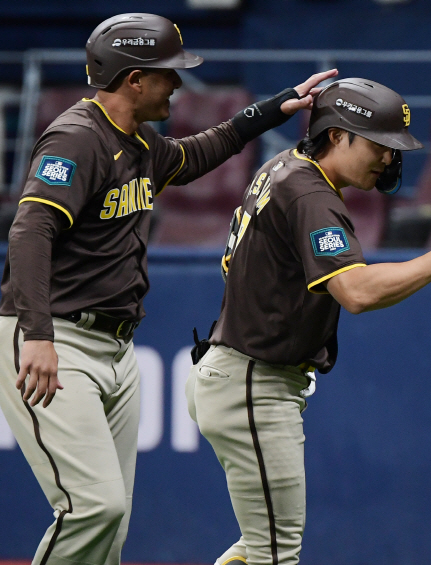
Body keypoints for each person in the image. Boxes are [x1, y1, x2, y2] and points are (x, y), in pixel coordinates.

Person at [0, 12, 336, 565]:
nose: (178, 84)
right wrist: (36, 334)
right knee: (94, 509)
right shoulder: (77, 138)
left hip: (116, 347)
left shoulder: (137, 142)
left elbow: (197, 153)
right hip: (54, 336)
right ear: (134, 79)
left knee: (113, 522)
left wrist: (271, 109)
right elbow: (30, 229)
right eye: (168, 73)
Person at [185, 78, 431, 565]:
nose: (389, 159)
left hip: (243, 376)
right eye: (379, 145)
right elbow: (356, 292)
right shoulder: (311, 194)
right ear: (336, 136)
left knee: (258, 548)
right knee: (275, 552)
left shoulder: (285, 168)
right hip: (252, 383)